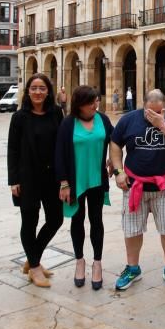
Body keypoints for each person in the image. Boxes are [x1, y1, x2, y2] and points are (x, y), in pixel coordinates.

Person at [110, 88, 165, 291]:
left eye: (158, 111)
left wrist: (162, 124)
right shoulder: (129, 119)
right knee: (132, 229)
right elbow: (115, 144)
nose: (153, 115)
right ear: (143, 106)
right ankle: (132, 267)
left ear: (164, 106)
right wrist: (119, 170)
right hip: (135, 186)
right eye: (150, 112)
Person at [7, 73, 64, 287]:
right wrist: (14, 180)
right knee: (29, 222)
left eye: (42, 88)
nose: (38, 92)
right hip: (27, 177)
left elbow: (62, 144)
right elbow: (12, 150)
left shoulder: (56, 113)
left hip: (51, 177)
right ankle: (35, 267)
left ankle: (32, 260)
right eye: (34, 88)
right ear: (28, 91)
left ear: (48, 91)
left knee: (55, 219)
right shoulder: (19, 117)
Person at [56, 86, 113, 290]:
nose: (95, 105)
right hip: (75, 182)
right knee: (77, 221)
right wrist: (63, 184)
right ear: (79, 105)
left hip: (97, 180)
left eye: (96, 101)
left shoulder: (103, 120)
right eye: (91, 103)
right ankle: (79, 262)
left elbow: (114, 142)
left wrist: (114, 161)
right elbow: (60, 155)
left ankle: (97, 264)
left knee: (97, 221)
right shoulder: (68, 123)